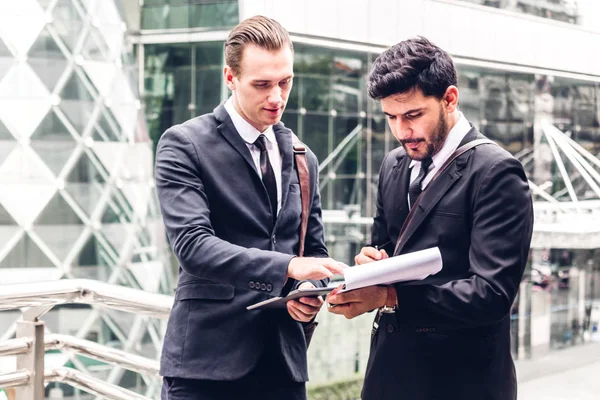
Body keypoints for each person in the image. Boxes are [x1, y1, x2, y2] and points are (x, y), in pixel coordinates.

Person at [327, 37, 533, 400]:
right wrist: (371, 263)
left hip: (462, 383)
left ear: (450, 99)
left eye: (413, 115)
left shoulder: (497, 172)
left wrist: (390, 296)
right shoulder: (393, 164)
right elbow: (387, 246)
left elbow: (492, 295)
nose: (401, 131)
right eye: (390, 117)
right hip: (388, 377)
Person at [155, 15, 344, 400]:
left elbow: (314, 252)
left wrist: (309, 289)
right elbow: (193, 246)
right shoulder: (183, 144)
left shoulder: (302, 156)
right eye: (262, 84)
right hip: (205, 368)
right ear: (231, 77)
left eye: (285, 82)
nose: (277, 97)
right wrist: (289, 267)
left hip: (284, 367)